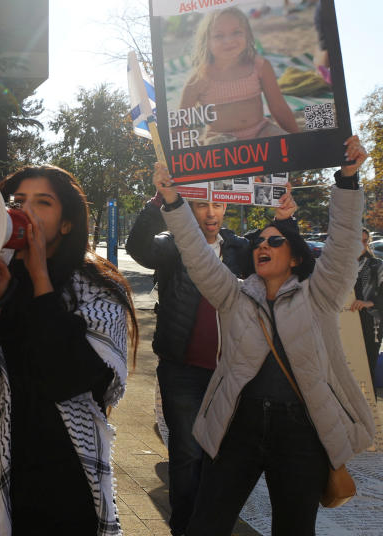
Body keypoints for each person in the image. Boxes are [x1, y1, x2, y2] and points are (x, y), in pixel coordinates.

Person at [152, 135, 376, 536]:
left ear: (294, 256)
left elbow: (342, 246)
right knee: (206, 525)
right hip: (238, 424)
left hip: (301, 431)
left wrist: (346, 180)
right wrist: (173, 201)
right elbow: (196, 253)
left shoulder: (320, 297)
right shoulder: (233, 295)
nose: (263, 245)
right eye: (259, 241)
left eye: (276, 241)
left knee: (294, 528)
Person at [0, 165, 138, 535]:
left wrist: (40, 278)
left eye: (42, 203)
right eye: (17, 202)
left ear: (66, 224)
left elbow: (67, 377)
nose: (25, 212)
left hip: (61, 480)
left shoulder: (98, 292)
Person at [126, 190, 294, 535]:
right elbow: (139, 247)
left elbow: (282, 259)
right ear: (189, 206)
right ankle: (185, 528)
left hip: (231, 375)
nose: (210, 212)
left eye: (217, 204)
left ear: (226, 206)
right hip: (182, 370)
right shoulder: (173, 244)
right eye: (202, 204)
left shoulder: (239, 249)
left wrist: (284, 220)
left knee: (221, 458)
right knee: (187, 455)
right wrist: (159, 199)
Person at [179, 7, 300, 144]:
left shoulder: (259, 66)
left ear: (247, 35)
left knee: (284, 143)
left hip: (261, 131)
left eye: (236, 32)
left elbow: (279, 108)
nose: (229, 40)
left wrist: (298, 140)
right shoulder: (199, 78)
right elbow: (179, 122)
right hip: (218, 138)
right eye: (219, 35)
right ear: (206, 41)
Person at [350, 227, 383, 377]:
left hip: (370, 324)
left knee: (366, 371)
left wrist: (368, 303)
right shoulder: (341, 267)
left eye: (364, 241)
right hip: (345, 323)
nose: (361, 244)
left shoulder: (378, 265)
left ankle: (366, 401)